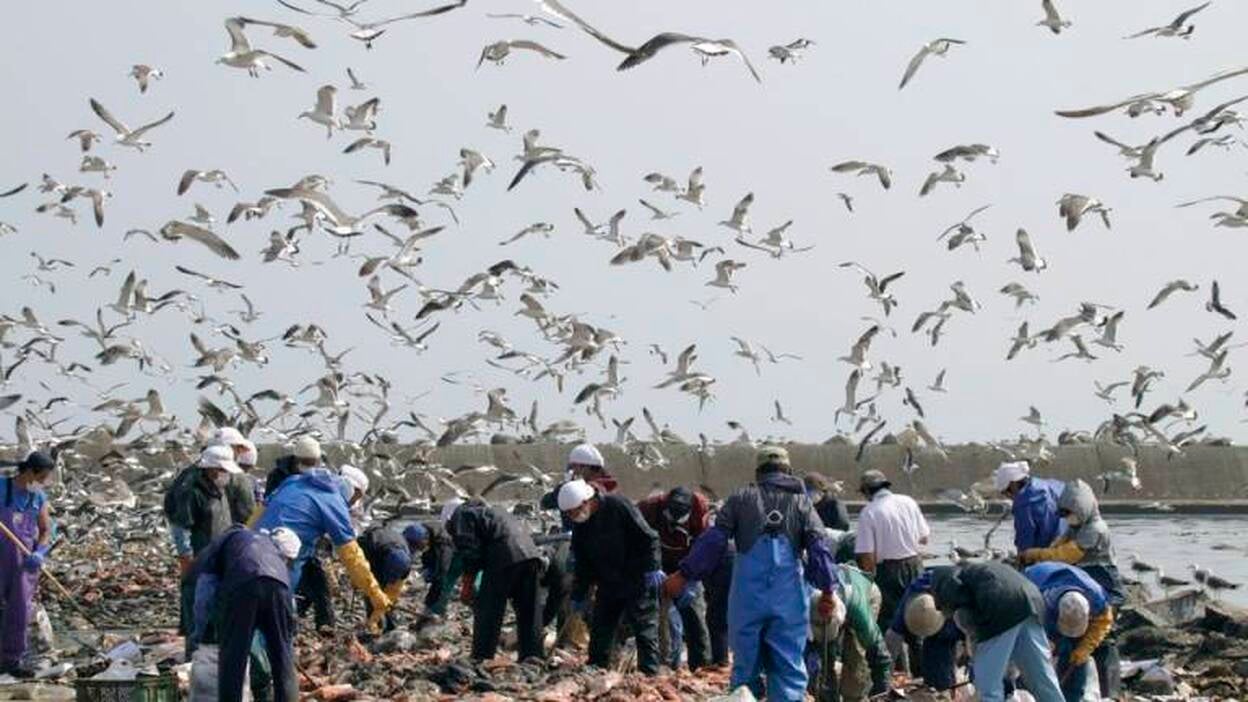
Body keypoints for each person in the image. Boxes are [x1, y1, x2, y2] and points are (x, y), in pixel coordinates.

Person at [665, 446, 842, 701]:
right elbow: (819, 549)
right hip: (788, 600)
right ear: (788, 471)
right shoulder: (803, 504)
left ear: (758, 472)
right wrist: (827, 591)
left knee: (745, 669)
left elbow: (713, 541)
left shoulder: (740, 499)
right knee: (788, 668)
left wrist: (683, 575)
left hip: (747, 598)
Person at [253, 465, 392, 633]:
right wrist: (375, 594)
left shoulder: (293, 481)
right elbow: (352, 556)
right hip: (284, 557)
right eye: (358, 498)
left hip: (254, 546)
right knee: (274, 612)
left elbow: (257, 514)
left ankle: (323, 627)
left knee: (315, 579)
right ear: (354, 491)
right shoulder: (334, 502)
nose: (355, 503)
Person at [1018, 479, 1123, 698]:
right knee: (1072, 642)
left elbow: (1068, 554)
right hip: (1080, 582)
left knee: (1103, 642)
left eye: (1070, 513)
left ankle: (1109, 693)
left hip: (1103, 582)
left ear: (1082, 508)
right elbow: (1057, 547)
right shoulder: (1074, 528)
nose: (1068, 518)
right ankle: (1069, 693)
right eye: (1064, 514)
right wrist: (1042, 556)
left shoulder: (1095, 528)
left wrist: (1036, 554)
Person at [558, 478, 663, 675]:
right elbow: (583, 563)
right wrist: (579, 595)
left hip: (636, 578)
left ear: (587, 501)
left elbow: (649, 537)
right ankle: (597, 670)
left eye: (574, 511)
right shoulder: (581, 524)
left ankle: (649, 675)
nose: (574, 516)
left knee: (644, 628)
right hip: (608, 582)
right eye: (569, 514)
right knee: (601, 629)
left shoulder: (618, 506)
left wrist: (653, 567)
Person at [190, 525, 302, 702]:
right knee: (283, 657)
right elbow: (289, 607)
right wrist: (286, 635)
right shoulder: (275, 556)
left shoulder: (219, 548)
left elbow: (204, 594)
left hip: (242, 585)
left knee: (233, 658)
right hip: (279, 588)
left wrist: (199, 632)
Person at [928, 562, 1064, 702]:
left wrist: (978, 662)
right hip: (1031, 601)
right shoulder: (977, 571)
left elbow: (975, 632)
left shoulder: (950, 585)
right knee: (1041, 676)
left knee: (988, 686)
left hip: (999, 606)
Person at [445, 499, 544, 662]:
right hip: (531, 554)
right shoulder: (494, 510)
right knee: (529, 610)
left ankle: (481, 656)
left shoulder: (461, 515)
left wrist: (468, 585)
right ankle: (533, 657)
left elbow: (470, 551)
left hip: (504, 556)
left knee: (488, 609)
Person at [168, 445, 241, 652]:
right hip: (200, 562)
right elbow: (180, 529)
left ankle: (213, 660)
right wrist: (187, 560)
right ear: (211, 468)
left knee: (216, 614)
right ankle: (194, 662)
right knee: (197, 617)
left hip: (219, 559)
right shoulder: (191, 491)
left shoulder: (217, 488)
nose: (226, 474)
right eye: (223, 470)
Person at [261, 436, 335, 631]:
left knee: (319, 583)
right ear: (297, 459)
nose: (311, 466)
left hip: (309, 542)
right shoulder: (278, 477)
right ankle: (286, 626)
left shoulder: (320, 476)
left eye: (314, 462)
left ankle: (325, 626)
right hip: (282, 542)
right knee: (285, 584)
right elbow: (268, 507)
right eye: (307, 462)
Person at [637, 486, 712, 670]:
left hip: (687, 566)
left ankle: (700, 666)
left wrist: (692, 579)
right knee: (656, 617)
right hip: (656, 566)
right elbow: (636, 539)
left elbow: (705, 546)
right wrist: (650, 568)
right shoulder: (649, 508)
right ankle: (660, 665)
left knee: (694, 616)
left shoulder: (700, 508)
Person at [854, 470, 930, 636]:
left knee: (888, 624)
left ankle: (892, 661)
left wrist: (868, 582)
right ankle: (918, 660)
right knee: (918, 621)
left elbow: (867, 556)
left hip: (889, 572)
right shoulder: (908, 502)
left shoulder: (869, 512)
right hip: (915, 565)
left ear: (867, 491)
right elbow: (924, 538)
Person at [0, 452, 55, 677]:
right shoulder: (2, 487)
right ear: (29, 472)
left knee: (19, 611)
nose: (42, 483)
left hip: (24, 563)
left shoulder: (38, 498)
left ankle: (10, 662)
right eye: (41, 477)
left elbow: (44, 530)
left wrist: (40, 552)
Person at [1024, 563, 1113, 702]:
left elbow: (1102, 623)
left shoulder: (1097, 598)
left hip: (1068, 585)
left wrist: (1085, 648)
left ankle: (1072, 697)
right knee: (1034, 657)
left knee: (1076, 656)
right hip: (1036, 582)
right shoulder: (1040, 600)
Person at [809, 562, 893, 702]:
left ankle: (855, 698)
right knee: (824, 660)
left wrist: (881, 694)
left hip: (865, 594)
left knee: (856, 657)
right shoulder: (802, 602)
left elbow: (882, 658)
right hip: (828, 605)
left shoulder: (859, 611)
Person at [890, 567, 964, 691]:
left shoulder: (962, 603)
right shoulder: (910, 602)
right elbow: (892, 639)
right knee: (932, 671)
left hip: (960, 609)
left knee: (944, 667)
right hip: (940, 602)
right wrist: (886, 674)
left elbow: (977, 638)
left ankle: (945, 691)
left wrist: (969, 654)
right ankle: (935, 688)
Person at [993, 460, 1065, 552]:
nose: (1009, 497)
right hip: (1071, 549)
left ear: (1013, 485)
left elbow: (1025, 540)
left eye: (1005, 492)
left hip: (1048, 555)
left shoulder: (1024, 503)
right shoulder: (1053, 484)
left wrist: (1021, 560)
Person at [358, 526, 412, 632]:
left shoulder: (406, 560)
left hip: (389, 555)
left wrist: (389, 600)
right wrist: (357, 580)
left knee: (389, 597)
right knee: (372, 593)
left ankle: (390, 625)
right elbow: (360, 568)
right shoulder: (369, 547)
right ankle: (374, 627)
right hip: (374, 557)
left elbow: (394, 590)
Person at [404, 522, 456, 618]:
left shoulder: (444, 547)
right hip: (433, 550)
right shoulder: (421, 530)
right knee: (430, 568)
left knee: (443, 580)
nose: (418, 550)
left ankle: (436, 610)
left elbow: (442, 572)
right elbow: (425, 558)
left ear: (425, 540)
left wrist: (430, 600)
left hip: (456, 556)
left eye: (418, 546)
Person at [210, 428, 259, 526]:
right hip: (229, 536)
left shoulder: (190, 472)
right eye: (238, 448)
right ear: (229, 447)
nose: (239, 453)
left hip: (196, 538)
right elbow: (250, 513)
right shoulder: (237, 477)